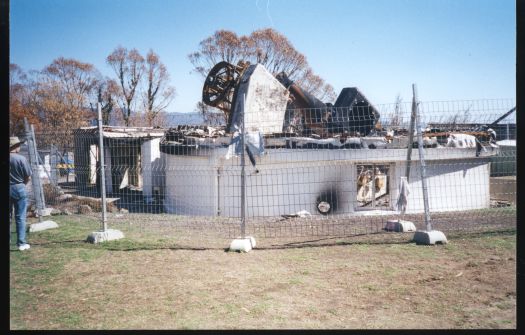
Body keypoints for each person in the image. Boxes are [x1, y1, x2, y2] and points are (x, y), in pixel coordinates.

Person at [9, 136, 32, 251]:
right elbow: (28, 176)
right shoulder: (21, 159)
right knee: (20, 217)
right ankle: (21, 243)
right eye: (18, 145)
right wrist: (22, 184)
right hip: (19, 187)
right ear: (15, 146)